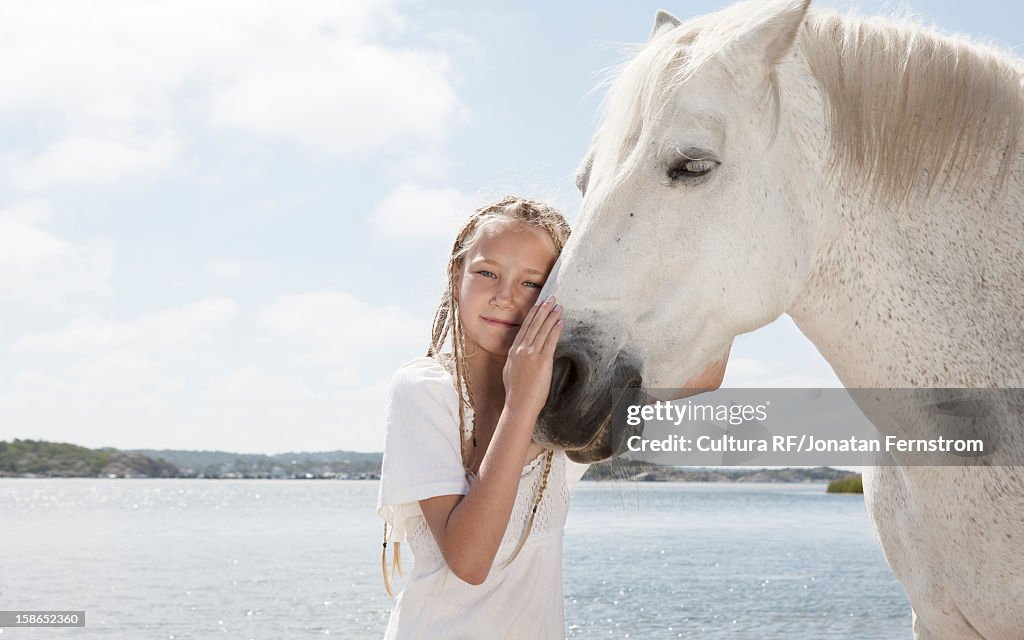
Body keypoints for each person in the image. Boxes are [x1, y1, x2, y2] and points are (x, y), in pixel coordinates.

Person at [376, 195, 728, 639]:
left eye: (531, 284)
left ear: (555, 296)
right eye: (487, 273)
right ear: (456, 274)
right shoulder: (424, 389)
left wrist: (714, 242)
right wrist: (524, 406)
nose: (505, 298)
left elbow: (704, 375)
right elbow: (469, 561)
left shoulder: (564, 398)